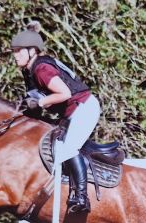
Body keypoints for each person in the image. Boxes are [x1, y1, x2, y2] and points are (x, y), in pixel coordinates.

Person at [10, 21, 101, 213]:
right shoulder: (29, 71)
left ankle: (82, 198)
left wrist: (40, 103)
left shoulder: (41, 69)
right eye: (14, 51)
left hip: (84, 107)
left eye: (19, 51)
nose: (15, 55)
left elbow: (64, 93)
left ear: (32, 51)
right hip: (71, 112)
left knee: (67, 149)